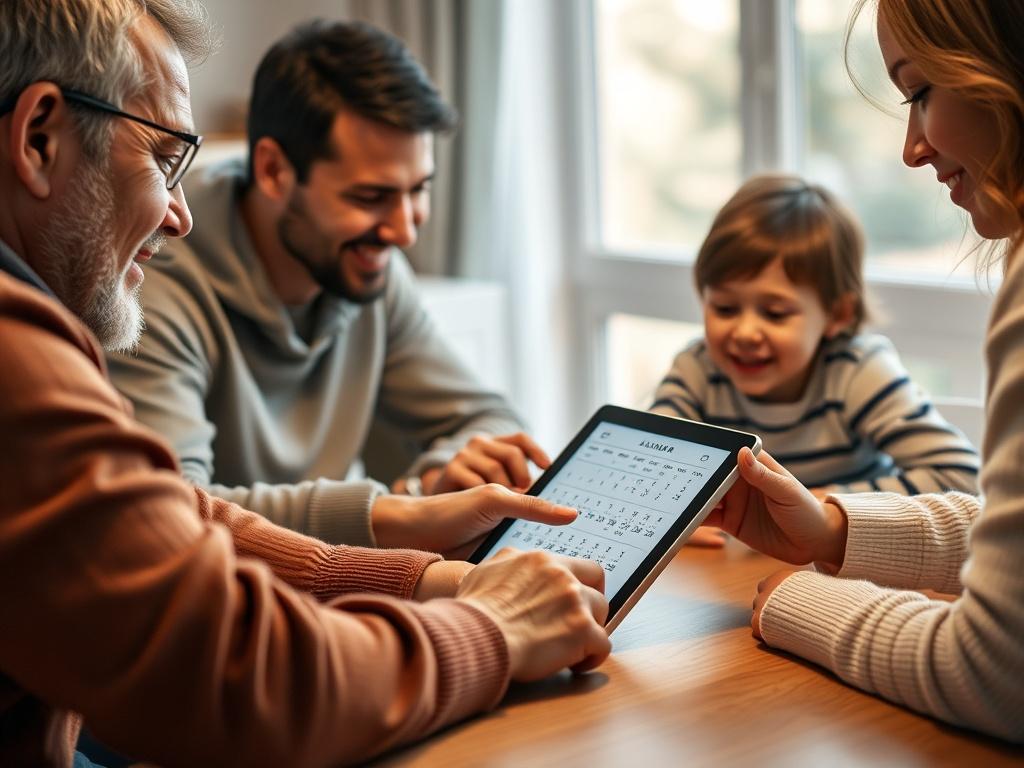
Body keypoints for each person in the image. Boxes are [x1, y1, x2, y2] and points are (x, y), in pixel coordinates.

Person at [0, 2, 611, 766]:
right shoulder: (23, 348)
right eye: (161, 158)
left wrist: (422, 569)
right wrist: (493, 629)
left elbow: (171, 514)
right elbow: (238, 677)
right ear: (40, 137)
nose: (178, 215)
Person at [705, 0, 1024, 742]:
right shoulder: (695, 367)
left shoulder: (862, 369)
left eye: (920, 92)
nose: (912, 149)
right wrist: (833, 532)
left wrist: (800, 598)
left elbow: (998, 674)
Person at [106, 19, 549, 546]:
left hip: (345, 573)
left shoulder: (367, 266)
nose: (404, 232)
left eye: (418, 190)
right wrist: (404, 512)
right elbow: (174, 511)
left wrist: (440, 476)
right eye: (370, 197)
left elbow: (488, 417)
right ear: (273, 170)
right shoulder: (148, 281)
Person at [650, 173, 979, 498]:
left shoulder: (856, 372)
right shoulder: (697, 369)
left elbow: (961, 476)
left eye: (775, 313)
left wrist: (820, 505)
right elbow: (646, 461)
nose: (746, 332)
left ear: (838, 314)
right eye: (725, 308)